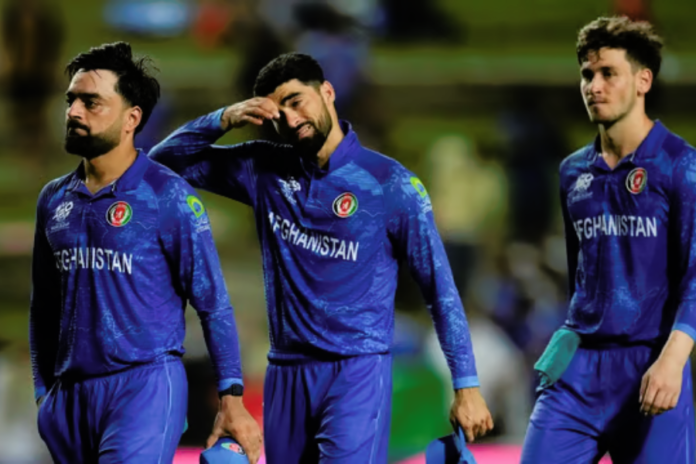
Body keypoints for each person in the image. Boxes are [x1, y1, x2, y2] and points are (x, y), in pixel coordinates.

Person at [149, 52, 493, 463]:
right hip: (285, 373)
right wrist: (224, 117)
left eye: (296, 101)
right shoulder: (263, 171)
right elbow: (162, 161)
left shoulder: (390, 184)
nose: (290, 120)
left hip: (356, 372)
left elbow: (440, 289)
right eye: (277, 113)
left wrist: (467, 385)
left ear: (327, 92)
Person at [30, 42, 262, 464]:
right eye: (71, 101)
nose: (74, 112)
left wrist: (231, 395)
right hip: (69, 399)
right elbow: (43, 304)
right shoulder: (52, 200)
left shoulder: (167, 195)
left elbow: (212, 303)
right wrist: (43, 392)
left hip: (143, 388)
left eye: (91, 102)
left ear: (131, 118)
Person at [521, 16, 696, 463]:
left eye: (607, 73)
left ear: (643, 81)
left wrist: (673, 360)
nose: (593, 86)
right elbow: (581, 273)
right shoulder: (571, 172)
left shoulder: (681, 166)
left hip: (651, 365)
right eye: (586, 75)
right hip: (577, 369)